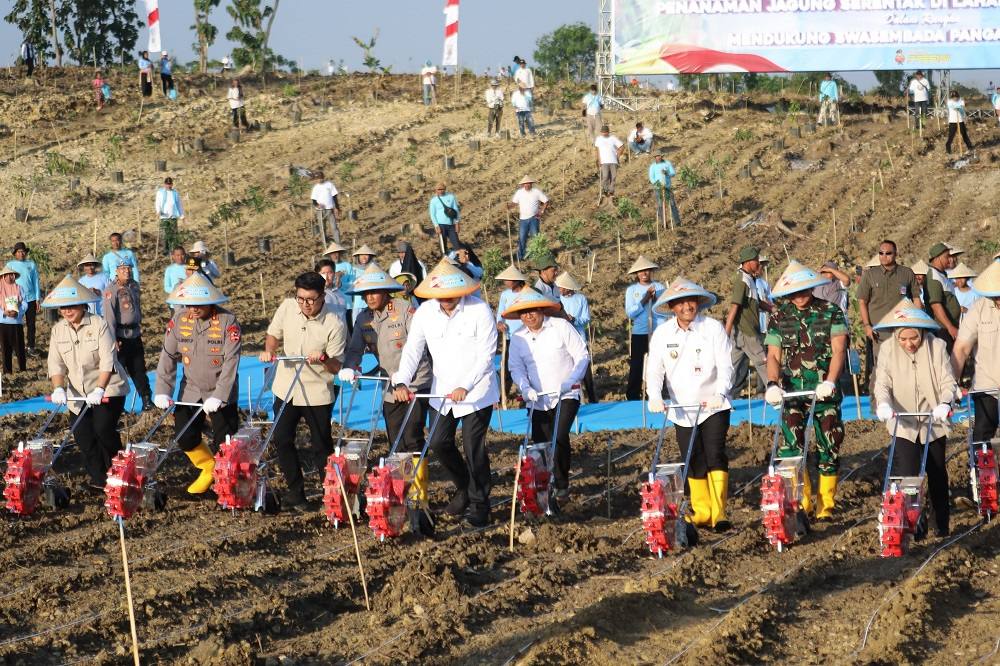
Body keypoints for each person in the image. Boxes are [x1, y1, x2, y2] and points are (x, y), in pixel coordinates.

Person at [391, 260, 500, 527]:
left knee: (473, 447)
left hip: (477, 392)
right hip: (442, 392)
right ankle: (465, 487)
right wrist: (401, 381)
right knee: (438, 442)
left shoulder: (479, 310)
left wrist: (466, 385)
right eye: (440, 295)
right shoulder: (425, 313)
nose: (446, 299)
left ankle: (480, 505)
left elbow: (487, 355)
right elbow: (413, 350)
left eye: (451, 294)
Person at [646, 279, 734, 531]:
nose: (687, 306)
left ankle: (719, 512)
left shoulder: (712, 328)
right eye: (681, 303)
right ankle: (702, 510)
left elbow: (726, 365)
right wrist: (654, 396)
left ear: (698, 303)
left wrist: (720, 392)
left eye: (691, 301)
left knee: (714, 453)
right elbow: (655, 369)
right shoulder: (663, 334)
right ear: (672, 307)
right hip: (682, 409)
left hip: (713, 405)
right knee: (692, 457)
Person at [764, 260, 848, 520]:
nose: (799, 296)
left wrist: (830, 381)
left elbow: (839, 350)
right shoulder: (779, 317)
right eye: (794, 292)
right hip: (792, 392)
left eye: (803, 290)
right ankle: (801, 502)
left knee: (829, 443)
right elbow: (773, 354)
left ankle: (826, 504)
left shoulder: (831, 311)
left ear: (812, 288)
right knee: (792, 446)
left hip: (824, 390)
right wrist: (772, 383)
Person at [259, 271, 346, 510]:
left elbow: (336, 367)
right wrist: (269, 350)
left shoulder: (335, 323)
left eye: (311, 300)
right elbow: (273, 334)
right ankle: (295, 492)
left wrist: (324, 358)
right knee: (282, 438)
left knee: (321, 445)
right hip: (286, 387)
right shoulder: (288, 307)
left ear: (322, 297)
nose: (305, 304)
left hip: (317, 391)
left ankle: (331, 495)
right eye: (301, 298)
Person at [340, 264, 433, 483]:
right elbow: (355, 349)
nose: (369, 298)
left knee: (412, 436)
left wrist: (406, 383)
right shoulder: (363, 319)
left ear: (385, 291)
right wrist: (350, 366)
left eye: (374, 292)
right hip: (389, 385)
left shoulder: (404, 310)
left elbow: (419, 347)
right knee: (395, 437)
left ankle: (419, 490)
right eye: (365, 294)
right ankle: (400, 486)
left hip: (416, 382)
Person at [873, 298, 958, 537]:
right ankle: (914, 525)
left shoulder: (936, 346)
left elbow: (947, 381)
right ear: (896, 335)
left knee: (936, 471)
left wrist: (945, 402)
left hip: (933, 419)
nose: (909, 344)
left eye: (914, 338)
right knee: (909, 475)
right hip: (903, 422)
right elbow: (882, 383)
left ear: (921, 332)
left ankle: (942, 523)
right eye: (903, 339)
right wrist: (883, 404)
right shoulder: (888, 349)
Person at [153, 273, 242, 494]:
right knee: (185, 436)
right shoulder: (179, 320)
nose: (193, 309)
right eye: (189, 304)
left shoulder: (227, 321)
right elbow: (168, 356)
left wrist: (220, 395)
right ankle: (208, 467)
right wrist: (163, 390)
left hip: (220, 391)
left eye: (198, 304)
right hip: (191, 390)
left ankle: (227, 488)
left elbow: (231, 362)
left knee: (225, 443)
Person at [43, 275, 129, 491]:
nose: (67, 311)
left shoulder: (99, 324)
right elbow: (55, 363)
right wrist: (58, 388)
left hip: (108, 389)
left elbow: (108, 360)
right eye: (63, 307)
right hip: (78, 394)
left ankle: (120, 471)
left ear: (82, 304)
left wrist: (100, 389)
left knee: (103, 430)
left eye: (72, 306)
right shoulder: (58, 330)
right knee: (84, 437)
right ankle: (100, 480)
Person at [506, 288, 589, 508]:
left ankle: (562, 484)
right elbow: (516, 367)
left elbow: (582, 355)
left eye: (532, 310)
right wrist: (525, 388)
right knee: (540, 443)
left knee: (559, 436)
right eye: (523, 313)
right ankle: (543, 486)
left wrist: (571, 380)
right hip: (537, 398)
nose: (529, 316)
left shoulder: (560, 327)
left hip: (566, 393)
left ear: (542, 309)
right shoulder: (518, 338)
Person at [858, 240, 922, 399]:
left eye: (888, 253)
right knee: (881, 367)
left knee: (905, 365)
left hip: (903, 329)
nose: (884, 256)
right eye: (881, 253)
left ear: (896, 254)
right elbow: (862, 301)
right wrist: (867, 325)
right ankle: (877, 403)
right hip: (880, 331)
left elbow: (916, 299)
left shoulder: (906, 273)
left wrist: (918, 324)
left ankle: (904, 400)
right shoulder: (870, 275)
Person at [102, 258, 153, 412]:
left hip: (134, 334)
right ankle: (118, 406)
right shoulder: (111, 290)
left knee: (139, 368)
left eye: (129, 268)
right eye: (123, 268)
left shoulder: (134, 286)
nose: (127, 271)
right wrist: (112, 339)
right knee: (119, 373)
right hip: (120, 336)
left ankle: (147, 400)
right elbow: (109, 318)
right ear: (116, 271)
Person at [724, 246, 770, 394]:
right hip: (747, 332)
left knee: (731, 367)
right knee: (764, 363)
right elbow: (734, 307)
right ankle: (776, 394)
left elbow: (757, 303)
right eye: (757, 260)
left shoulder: (751, 279)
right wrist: (725, 333)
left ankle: (723, 395)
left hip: (744, 332)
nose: (759, 264)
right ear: (748, 262)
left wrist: (773, 309)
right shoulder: (742, 281)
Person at [625, 255, 668, 401]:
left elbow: (665, 310)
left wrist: (655, 300)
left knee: (658, 364)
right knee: (637, 364)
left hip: (657, 332)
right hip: (640, 332)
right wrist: (644, 300)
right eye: (641, 271)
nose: (644, 273)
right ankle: (632, 396)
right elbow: (630, 313)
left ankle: (657, 394)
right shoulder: (632, 290)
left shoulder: (660, 287)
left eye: (647, 270)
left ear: (651, 272)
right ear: (637, 274)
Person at [557, 271, 596, 403]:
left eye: (562, 287)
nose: (560, 289)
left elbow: (586, 318)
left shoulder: (581, 299)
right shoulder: (557, 300)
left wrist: (574, 319)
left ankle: (592, 398)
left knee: (585, 372)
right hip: (563, 340)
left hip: (579, 338)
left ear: (568, 288)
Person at [925, 242, 961, 352]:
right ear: (937, 258)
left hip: (949, 327)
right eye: (946, 257)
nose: (949, 260)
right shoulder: (933, 277)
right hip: (942, 329)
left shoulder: (941, 275)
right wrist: (950, 327)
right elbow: (936, 305)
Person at [9, 242, 40, 355]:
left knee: (31, 324)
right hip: (15, 299)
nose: (21, 254)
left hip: (31, 298)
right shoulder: (10, 265)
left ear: (26, 253)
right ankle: (15, 347)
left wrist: (38, 298)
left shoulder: (31, 264)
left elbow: (36, 281)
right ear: (15, 253)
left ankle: (31, 347)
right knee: (15, 323)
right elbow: (6, 282)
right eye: (19, 252)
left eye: (23, 251)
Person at [508, 176, 548, 261]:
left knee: (535, 237)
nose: (527, 185)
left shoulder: (536, 192)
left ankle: (538, 255)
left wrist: (541, 211)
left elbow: (546, 201)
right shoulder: (519, 193)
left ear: (531, 184)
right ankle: (521, 256)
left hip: (534, 218)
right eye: (525, 183)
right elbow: (514, 203)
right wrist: (508, 206)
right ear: (523, 185)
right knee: (522, 238)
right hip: (523, 219)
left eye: (528, 183)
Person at [0, 264, 27, 374]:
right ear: (3, 276)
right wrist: (4, 313)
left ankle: (23, 369)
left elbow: (24, 303)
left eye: (13, 275)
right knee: (5, 348)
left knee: (20, 347)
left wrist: (18, 312)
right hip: (3, 323)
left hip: (16, 322)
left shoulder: (19, 288)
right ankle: (7, 372)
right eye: (8, 275)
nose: (11, 277)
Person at [323, 242, 356, 331]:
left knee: (349, 329)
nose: (335, 255)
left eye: (337, 253)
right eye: (333, 253)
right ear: (329, 255)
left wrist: (341, 284)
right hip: (332, 304)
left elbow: (353, 284)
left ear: (340, 253)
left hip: (347, 304)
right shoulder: (327, 268)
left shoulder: (347, 266)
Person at [496, 264, 529, 343]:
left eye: (507, 280)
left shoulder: (528, 293)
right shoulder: (505, 294)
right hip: (509, 334)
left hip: (526, 334)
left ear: (516, 280)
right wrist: (499, 322)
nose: (505, 282)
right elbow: (501, 312)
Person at [649, 149, 680, 228]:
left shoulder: (667, 163)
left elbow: (673, 173)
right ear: (654, 157)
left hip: (667, 187)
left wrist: (667, 173)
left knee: (672, 204)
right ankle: (664, 224)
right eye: (656, 156)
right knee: (660, 205)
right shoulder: (652, 166)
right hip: (658, 188)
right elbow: (651, 178)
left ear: (661, 156)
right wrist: (658, 184)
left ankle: (677, 222)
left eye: (659, 156)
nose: (658, 157)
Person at [428, 182, 461, 252]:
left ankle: (460, 256)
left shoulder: (451, 197)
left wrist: (457, 223)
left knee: (457, 244)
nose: (440, 191)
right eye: (438, 189)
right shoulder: (433, 200)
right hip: (441, 225)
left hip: (451, 225)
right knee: (443, 246)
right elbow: (432, 214)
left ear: (445, 189)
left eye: (442, 189)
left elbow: (456, 211)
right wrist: (436, 226)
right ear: (435, 190)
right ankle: (444, 257)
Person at [315, 259, 348, 325]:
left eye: (330, 273)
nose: (326, 277)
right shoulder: (316, 294)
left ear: (334, 274)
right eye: (323, 273)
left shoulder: (340, 293)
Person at [310, 171, 341, 244]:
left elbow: (334, 196)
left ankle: (338, 243)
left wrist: (337, 207)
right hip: (320, 211)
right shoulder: (315, 188)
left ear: (323, 178)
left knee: (334, 227)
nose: (318, 180)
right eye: (317, 179)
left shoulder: (329, 185)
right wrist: (317, 205)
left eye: (320, 178)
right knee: (322, 228)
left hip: (329, 210)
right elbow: (313, 200)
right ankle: (325, 243)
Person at [595, 125, 625, 198]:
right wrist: (598, 160)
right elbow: (597, 151)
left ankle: (611, 192)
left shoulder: (613, 138)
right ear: (601, 132)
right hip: (604, 161)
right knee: (605, 176)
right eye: (603, 132)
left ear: (608, 132)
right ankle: (605, 191)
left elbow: (622, 146)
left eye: (605, 132)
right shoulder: (598, 139)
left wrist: (618, 155)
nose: (604, 133)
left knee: (613, 177)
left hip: (613, 161)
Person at [155, 177, 184, 251]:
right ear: (164, 184)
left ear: (172, 184)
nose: (168, 185)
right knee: (165, 235)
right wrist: (158, 211)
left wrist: (182, 215)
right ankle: (166, 250)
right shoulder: (160, 192)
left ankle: (174, 250)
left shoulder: (175, 193)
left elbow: (179, 205)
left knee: (174, 234)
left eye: (170, 184)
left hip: (173, 216)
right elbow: (158, 203)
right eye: (167, 184)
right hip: (164, 217)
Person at [350, 245, 377, 322]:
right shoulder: (353, 269)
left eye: (366, 255)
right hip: (358, 303)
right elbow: (351, 285)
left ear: (370, 257)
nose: (364, 257)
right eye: (361, 255)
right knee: (357, 324)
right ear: (358, 257)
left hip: (372, 302)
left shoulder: (375, 269)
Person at [945, 90, 974, 155]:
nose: (955, 98)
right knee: (951, 136)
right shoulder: (949, 102)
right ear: (951, 97)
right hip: (952, 121)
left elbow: (965, 104)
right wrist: (960, 105)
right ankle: (948, 150)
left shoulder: (960, 100)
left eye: (956, 97)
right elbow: (955, 107)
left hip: (960, 120)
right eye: (954, 97)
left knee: (964, 134)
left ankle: (970, 147)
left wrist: (969, 99)